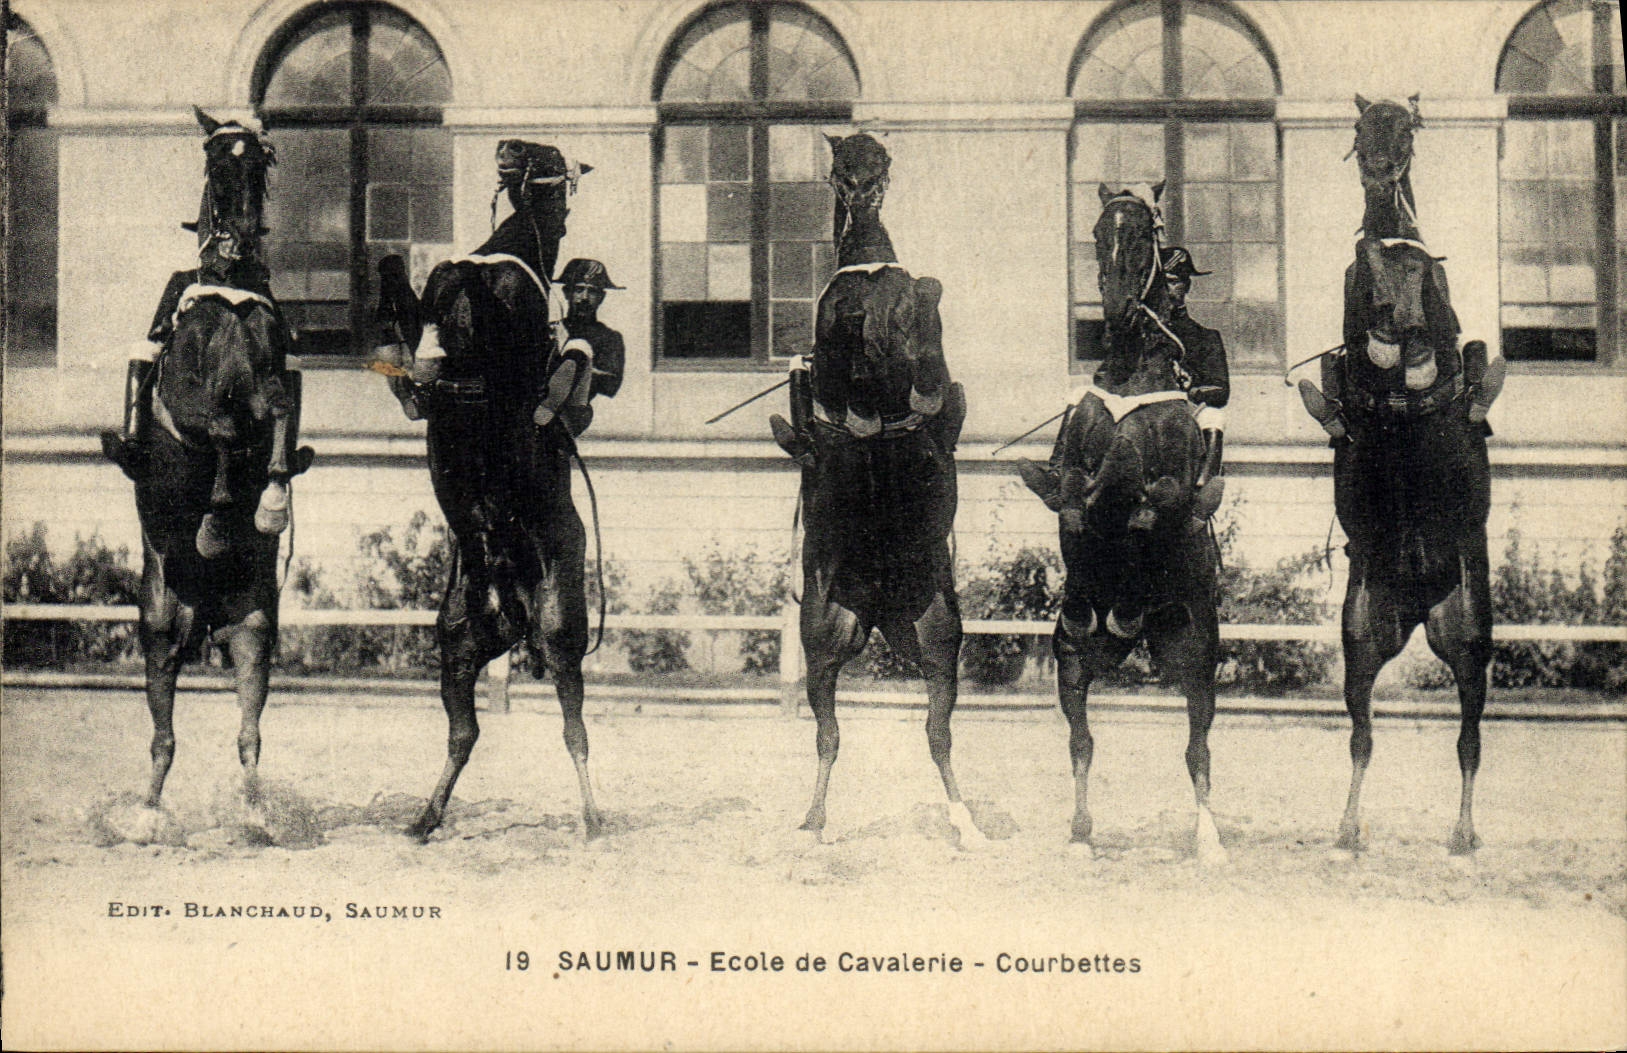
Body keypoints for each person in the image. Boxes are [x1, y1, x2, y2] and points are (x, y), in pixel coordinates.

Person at [1160, 245, 1228, 515]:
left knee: (1214, 418)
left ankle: (1201, 493)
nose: (1168, 289)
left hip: (1187, 409)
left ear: (1186, 287)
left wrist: (1191, 390)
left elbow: (1221, 391)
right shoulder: (1143, 334)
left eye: (1175, 282)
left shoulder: (1205, 337)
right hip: (1146, 404)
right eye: (1162, 283)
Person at [534, 258, 625, 438]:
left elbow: (610, 384)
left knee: (579, 350)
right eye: (578, 289)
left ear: (601, 297)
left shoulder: (609, 338)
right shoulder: (549, 330)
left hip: (574, 409)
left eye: (592, 292)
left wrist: (580, 367)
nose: (584, 297)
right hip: (536, 404)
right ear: (567, 292)